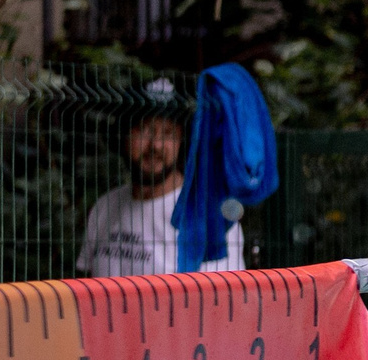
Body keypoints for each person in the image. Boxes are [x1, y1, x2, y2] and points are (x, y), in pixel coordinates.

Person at [77, 87, 244, 276]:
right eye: (145, 130)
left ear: (182, 142)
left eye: (168, 133)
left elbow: (222, 301)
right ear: (124, 136)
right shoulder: (105, 206)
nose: (155, 144)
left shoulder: (210, 218)